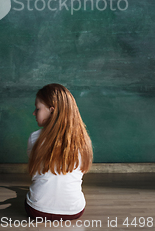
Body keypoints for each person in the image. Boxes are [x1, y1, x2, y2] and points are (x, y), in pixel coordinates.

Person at [25, 83, 93, 221]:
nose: (34, 112)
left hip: (37, 211)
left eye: (37, 108)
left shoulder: (34, 138)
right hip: (74, 211)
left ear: (52, 110)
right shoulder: (84, 140)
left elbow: (36, 170)